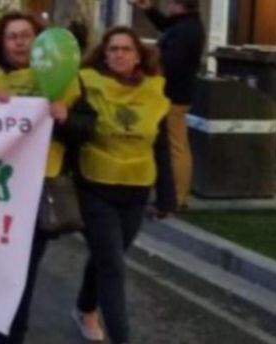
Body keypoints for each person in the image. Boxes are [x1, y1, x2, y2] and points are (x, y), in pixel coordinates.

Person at [0, 12, 85, 344]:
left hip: (37, 196)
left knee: (22, 278)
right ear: (1, 44)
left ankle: (11, 335)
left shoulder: (67, 82)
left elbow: (87, 131)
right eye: (13, 36)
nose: (21, 42)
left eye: (27, 35)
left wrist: (66, 118)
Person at [73, 26, 170, 344]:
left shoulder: (155, 91)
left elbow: (162, 144)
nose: (119, 54)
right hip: (95, 185)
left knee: (107, 258)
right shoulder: (86, 83)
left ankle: (85, 307)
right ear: (104, 54)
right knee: (113, 266)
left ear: (139, 55)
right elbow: (76, 127)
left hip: (137, 188)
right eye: (113, 49)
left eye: (126, 49)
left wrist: (167, 194)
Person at [129, 0, 204, 210]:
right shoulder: (185, 25)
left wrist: (149, 61)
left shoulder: (187, 31)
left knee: (175, 146)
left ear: (180, 5)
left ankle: (178, 196)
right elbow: (166, 25)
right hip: (173, 93)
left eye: (170, 2)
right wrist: (149, 9)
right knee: (171, 144)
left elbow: (171, 63)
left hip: (174, 95)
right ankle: (173, 193)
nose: (168, 6)